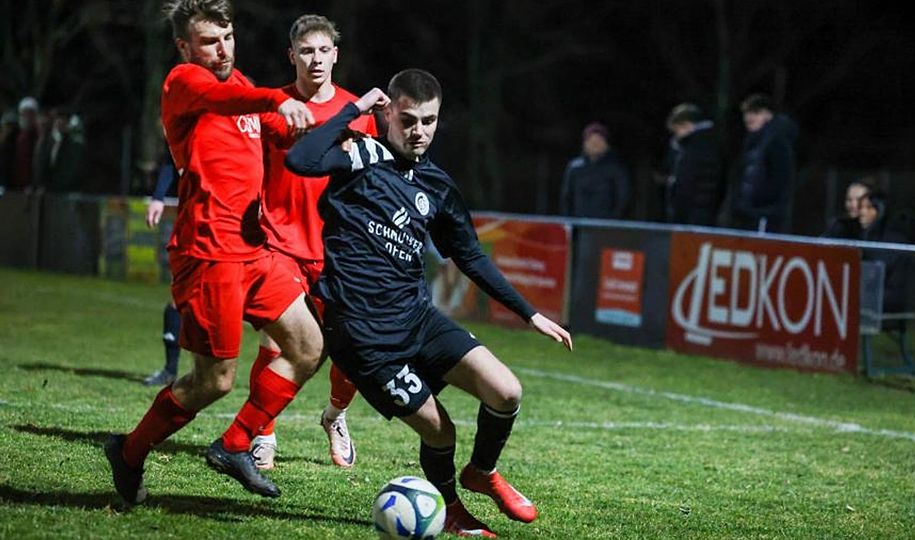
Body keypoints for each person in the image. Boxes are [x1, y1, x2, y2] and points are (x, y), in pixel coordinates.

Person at [286, 70, 573, 538]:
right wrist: (351, 111)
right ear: (388, 113)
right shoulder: (359, 155)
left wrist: (531, 313)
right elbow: (301, 158)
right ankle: (453, 509)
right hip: (364, 337)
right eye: (408, 120)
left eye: (429, 121)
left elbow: (470, 255)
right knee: (441, 432)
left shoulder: (436, 184)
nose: (418, 131)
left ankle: (481, 472)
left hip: (417, 318)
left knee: (507, 391)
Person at [104, 0, 325, 506]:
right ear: (185, 46)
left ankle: (235, 444)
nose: (222, 49)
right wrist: (276, 99)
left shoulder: (242, 85)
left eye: (227, 37)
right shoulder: (183, 82)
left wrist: (330, 123)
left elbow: (276, 133)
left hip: (254, 248)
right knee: (214, 382)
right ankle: (130, 452)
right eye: (209, 41)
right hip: (208, 254)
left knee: (308, 346)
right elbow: (231, 103)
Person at [249, 13, 378, 471]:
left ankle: (335, 416)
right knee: (277, 342)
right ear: (292, 56)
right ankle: (262, 432)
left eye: (324, 50)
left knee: (353, 346)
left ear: (336, 55)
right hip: (278, 243)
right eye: (307, 50)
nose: (316, 59)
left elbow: (369, 184)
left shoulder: (359, 115)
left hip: (336, 249)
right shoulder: (273, 107)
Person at [732, 93, 798, 233]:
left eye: (755, 113)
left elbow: (781, 178)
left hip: (765, 214)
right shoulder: (752, 141)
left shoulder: (777, 140)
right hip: (749, 212)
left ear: (768, 115)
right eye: (747, 113)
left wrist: (765, 205)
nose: (749, 118)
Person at [143, 150, 181, 387]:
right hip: (199, 222)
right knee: (179, 294)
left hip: (239, 223)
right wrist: (159, 197)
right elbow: (172, 155)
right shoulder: (197, 120)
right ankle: (170, 369)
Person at [858, 191, 915, 314]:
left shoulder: (892, 239)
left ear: (880, 211)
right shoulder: (865, 235)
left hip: (889, 297)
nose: (863, 213)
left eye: (869, 208)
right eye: (861, 208)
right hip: (873, 294)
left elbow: (878, 271)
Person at [664, 103, 724, 226]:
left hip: (694, 214)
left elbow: (687, 181)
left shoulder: (695, 147)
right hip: (700, 211)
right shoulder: (702, 143)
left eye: (677, 130)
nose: (676, 135)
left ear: (687, 125)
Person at [559, 122, 631, 219]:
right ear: (585, 144)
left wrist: (613, 220)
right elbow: (566, 198)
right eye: (591, 141)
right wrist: (569, 220)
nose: (595, 144)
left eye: (599, 140)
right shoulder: (574, 168)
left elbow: (622, 198)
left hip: (606, 225)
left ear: (606, 144)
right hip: (578, 224)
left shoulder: (616, 168)